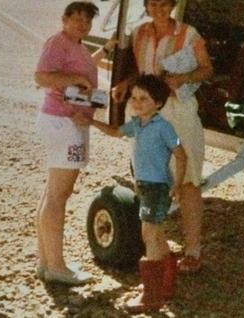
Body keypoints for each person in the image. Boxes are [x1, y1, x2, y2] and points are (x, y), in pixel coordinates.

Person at [111, 0, 213, 273]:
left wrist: (183, 78)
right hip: (144, 110)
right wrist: (125, 85)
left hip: (177, 110)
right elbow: (142, 73)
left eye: (164, 4)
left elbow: (207, 69)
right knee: (149, 178)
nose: (158, 9)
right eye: (153, 5)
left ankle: (193, 250)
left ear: (172, 5)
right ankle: (159, 249)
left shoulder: (188, 34)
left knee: (189, 179)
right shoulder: (140, 33)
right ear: (146, 7)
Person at [79, 75, 187, 313]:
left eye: (143, 99)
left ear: (158, 103)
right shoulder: (137, 124)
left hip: (158, 187)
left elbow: (181, 154)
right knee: (156, 235)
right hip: (144, 187)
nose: (136, 103)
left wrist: (177, 184)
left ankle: (151, 296)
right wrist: (93, 122)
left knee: (148, 234)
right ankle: (165, 285)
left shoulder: (164, 127)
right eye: (134, 97)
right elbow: (117, 132)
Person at [33, 1, 116, 285]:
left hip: (67, 121)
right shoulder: (58, 42)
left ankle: (46, 262)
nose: (82, 24)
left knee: (52, 192)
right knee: (59, 195)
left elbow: (84, 67)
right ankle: (57, 266)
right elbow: (42, 76)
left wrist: (105, 51)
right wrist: (76, 78)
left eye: (87, 21)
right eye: (76, 19)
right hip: (63, 123)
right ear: (64, 19)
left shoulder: (76, 46)